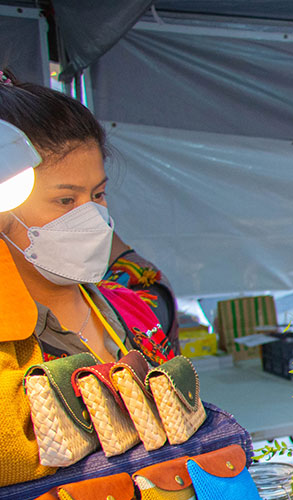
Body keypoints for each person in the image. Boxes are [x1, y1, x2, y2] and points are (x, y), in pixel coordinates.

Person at [0, 71, 175, 364]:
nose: (92, 217)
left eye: (98, 195)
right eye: (66, 200)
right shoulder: (9, 348)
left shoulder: (134, 309)